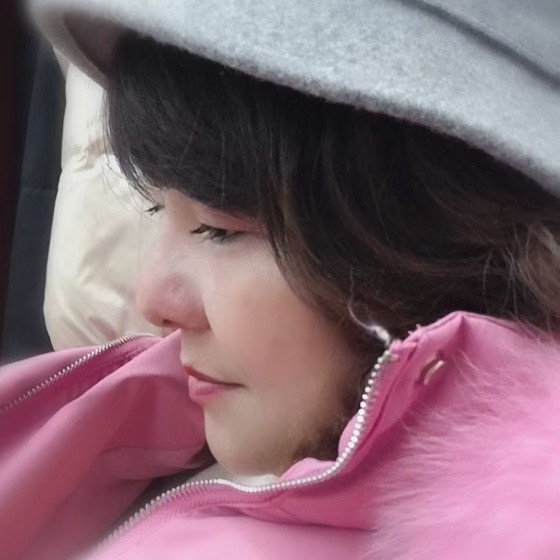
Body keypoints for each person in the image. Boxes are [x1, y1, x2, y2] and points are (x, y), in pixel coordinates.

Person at [2, 0, 560, 558]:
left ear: (426, 236)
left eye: (219, 228)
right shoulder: (141, 407)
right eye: (156, 209)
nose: (151, 299)